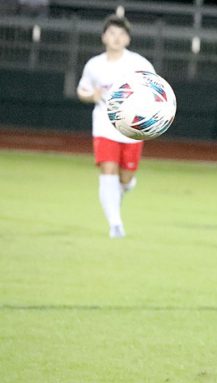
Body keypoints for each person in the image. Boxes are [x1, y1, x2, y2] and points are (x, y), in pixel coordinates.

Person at [76, 14, 154, 239]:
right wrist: (91, 95)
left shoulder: (139, 63)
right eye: (112, 33)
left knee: (125, 179)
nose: (116, 38)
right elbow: (82, 90)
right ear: (104, 37)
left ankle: (123, 190)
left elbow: (155, 90)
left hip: (131, 128)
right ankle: (115, 224)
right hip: (104, 126)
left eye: (121, 34)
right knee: (108, 170)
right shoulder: (94, 65)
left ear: (128, 39)